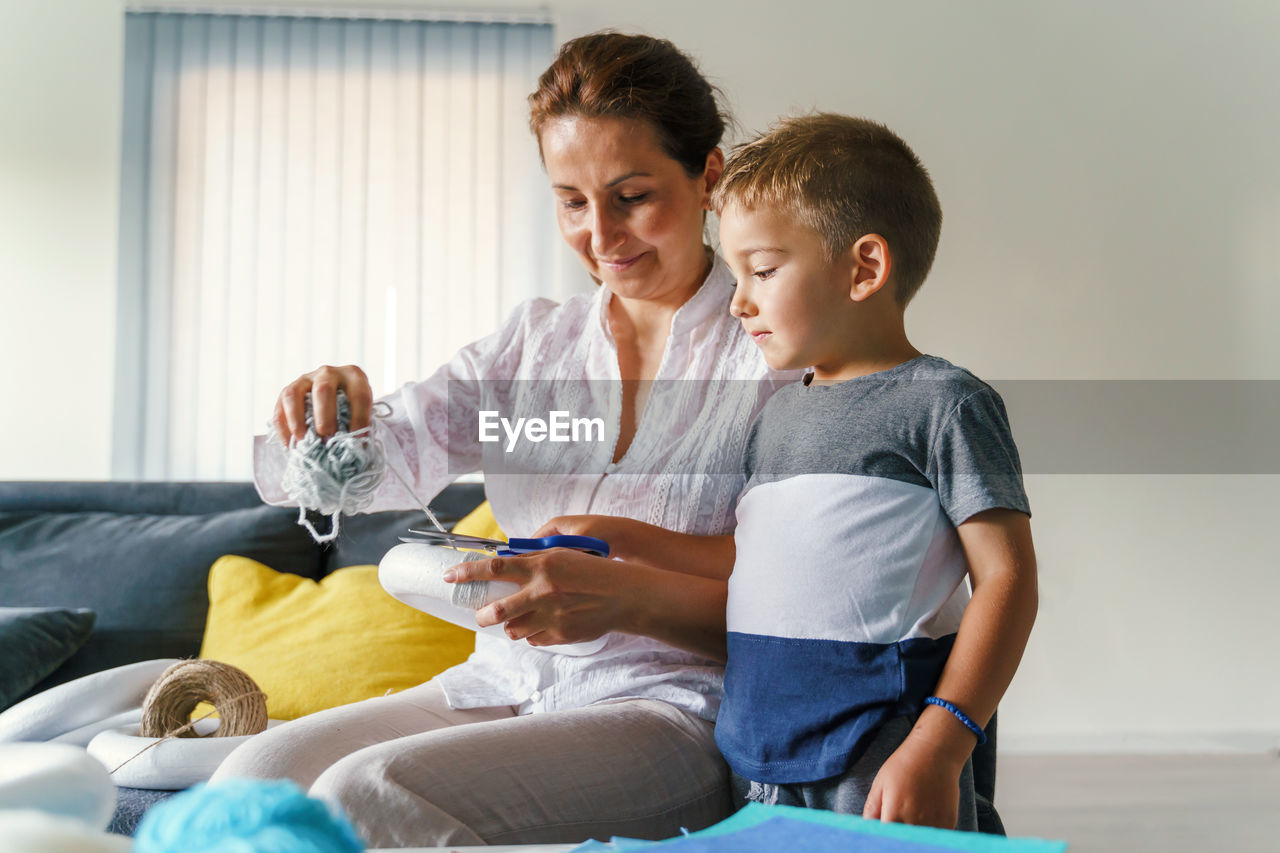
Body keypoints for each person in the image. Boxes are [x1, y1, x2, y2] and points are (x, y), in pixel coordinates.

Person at [211, 33, 796, 848]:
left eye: (631, 195)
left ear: (708, 177)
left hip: (667, 710)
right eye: (571, 201)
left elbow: (808, 603)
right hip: (501, 681)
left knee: (363, 792)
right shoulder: (533, 347)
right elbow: (380, 464)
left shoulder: (774, 354)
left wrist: (628, 599)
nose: (600, 235)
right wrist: (332, 419)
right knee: (250, 778)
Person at [576, 113, 1039, 830]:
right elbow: (752, 562)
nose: (738, 301)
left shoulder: (945, 403)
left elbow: (1007, 579)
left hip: (879, 754)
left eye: (761, 270)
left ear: (865, 268)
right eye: (735, 275)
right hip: (759, 752)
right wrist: (622, 536)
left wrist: (942, 741)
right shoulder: (776, 415)